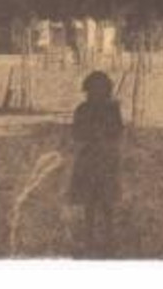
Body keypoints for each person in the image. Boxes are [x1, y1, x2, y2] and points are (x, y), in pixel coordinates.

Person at [69, 71, 124, 254]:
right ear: (87, 91)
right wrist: (91, 134)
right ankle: (89, 237)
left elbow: (118, 131)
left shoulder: (112, 109)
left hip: (107, 161)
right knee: (89, 201)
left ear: (107, 91)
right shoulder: (82, 109)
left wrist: (106, 134)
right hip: (88, 161)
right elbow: (76, 133)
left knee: (107, 201)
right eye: (93, 90)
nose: (97, 93)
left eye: (101, 89)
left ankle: (110, 236)